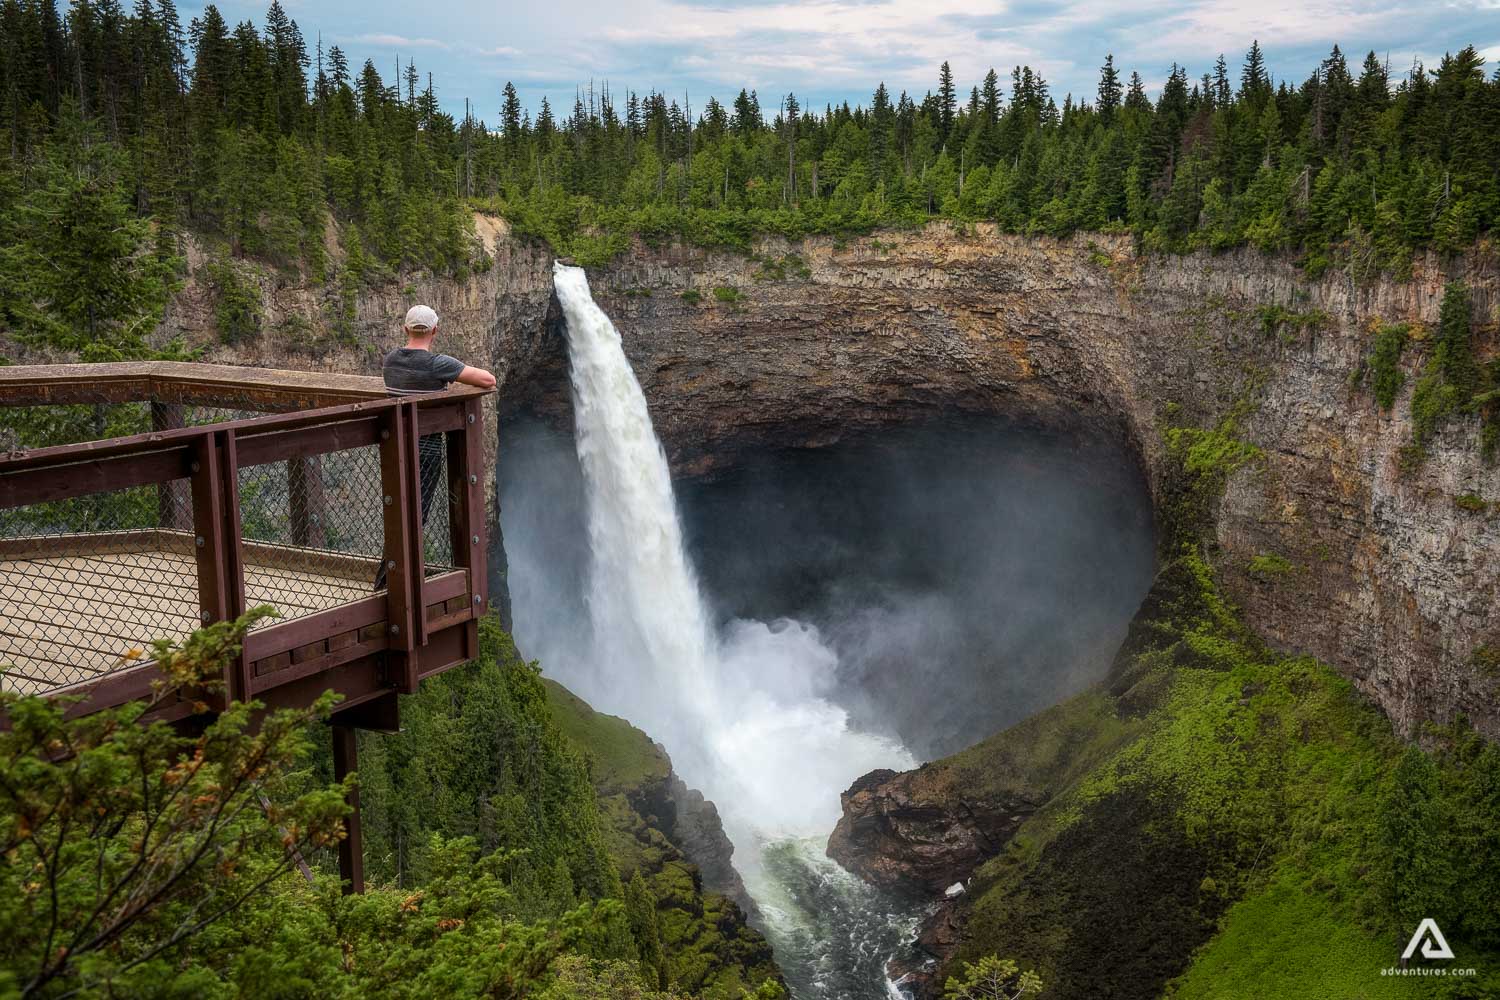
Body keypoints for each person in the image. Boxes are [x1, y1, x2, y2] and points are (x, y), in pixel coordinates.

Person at [373, 305, 495, 591]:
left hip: (394, 448)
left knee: (400, 511)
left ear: (405, 329)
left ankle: (390, 578)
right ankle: (389, 583)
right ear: (435, 331)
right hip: (426, 452)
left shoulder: (390, 360)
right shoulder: (438, 364)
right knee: (416, 515)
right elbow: (487, 380)